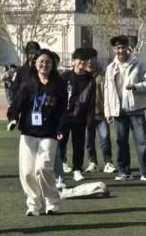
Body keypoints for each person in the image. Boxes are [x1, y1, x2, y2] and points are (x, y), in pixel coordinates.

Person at [8, 48, 69, 216]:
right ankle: (34, 204)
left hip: (49, 132)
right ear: (35, 63)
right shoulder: (28, 83)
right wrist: (13, 118)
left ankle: (52, 202)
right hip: (29, 132)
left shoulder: (58, 84)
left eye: (48, 62)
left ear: (53, 65)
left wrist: (61, 128)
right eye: (41, 61)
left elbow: (63, 109)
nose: (44, 64)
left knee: (44, 167)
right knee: (27, 171)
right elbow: (17, 104)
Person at [104, 35, 146, 182]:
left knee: (142, 141)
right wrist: (108, 111)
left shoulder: (138, 64)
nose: (121, 51)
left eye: (123, 47)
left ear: (128, 47)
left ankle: (145, 172)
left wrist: (136, 87)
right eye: (118, 48)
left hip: (136, 109)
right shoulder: (111, 68)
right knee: (121, 142)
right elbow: (107, 90)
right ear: (114, 50)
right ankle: (123, 172)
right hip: (119, 110)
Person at [54, 48, 96, 186]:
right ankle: (61, 167)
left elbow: (91, 102)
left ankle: (77, 169)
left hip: (80, 117)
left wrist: (90, 120)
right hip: (64, 117)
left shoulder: (90, 79)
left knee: (78, 144)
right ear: (73, 61)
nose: (81, 63)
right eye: (79, 60)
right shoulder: (65, 77)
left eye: (84, 61)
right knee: (60, 143)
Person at [84, 52, 114, 174]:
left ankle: (108, 162)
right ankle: (92, 163)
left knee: (105, 138)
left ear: (96, 59)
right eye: (87, 59)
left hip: (101, 113)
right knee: (89, 140)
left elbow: (109, 94)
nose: (89, 62)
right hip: (86, 115)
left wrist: (109, 111)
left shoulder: (103, 75)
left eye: (92, 59)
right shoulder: (81, 76)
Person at [8, 41, 42, 107]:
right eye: (31, 53)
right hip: (25, 108)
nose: (33, 56)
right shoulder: (20, 71)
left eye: (36, 53)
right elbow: (13, 90)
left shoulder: (43, 70)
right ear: (26, 54)